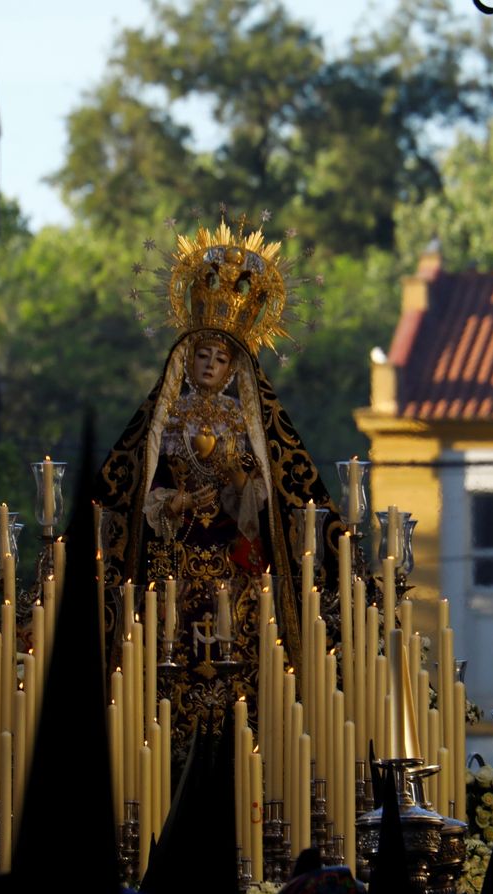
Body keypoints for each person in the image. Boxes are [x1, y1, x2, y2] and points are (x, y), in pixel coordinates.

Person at [95, 219, 345, 763]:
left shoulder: (246, 422)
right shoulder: (165, 419)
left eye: (221, 359)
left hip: (237, 573)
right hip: (173, 567)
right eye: (202, 356)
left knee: (248, 674)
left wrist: (239, 483)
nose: (210, 366)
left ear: (235, 369)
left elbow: (267, 502)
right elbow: (139, 493)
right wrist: (179, 501)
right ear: (186, 360)